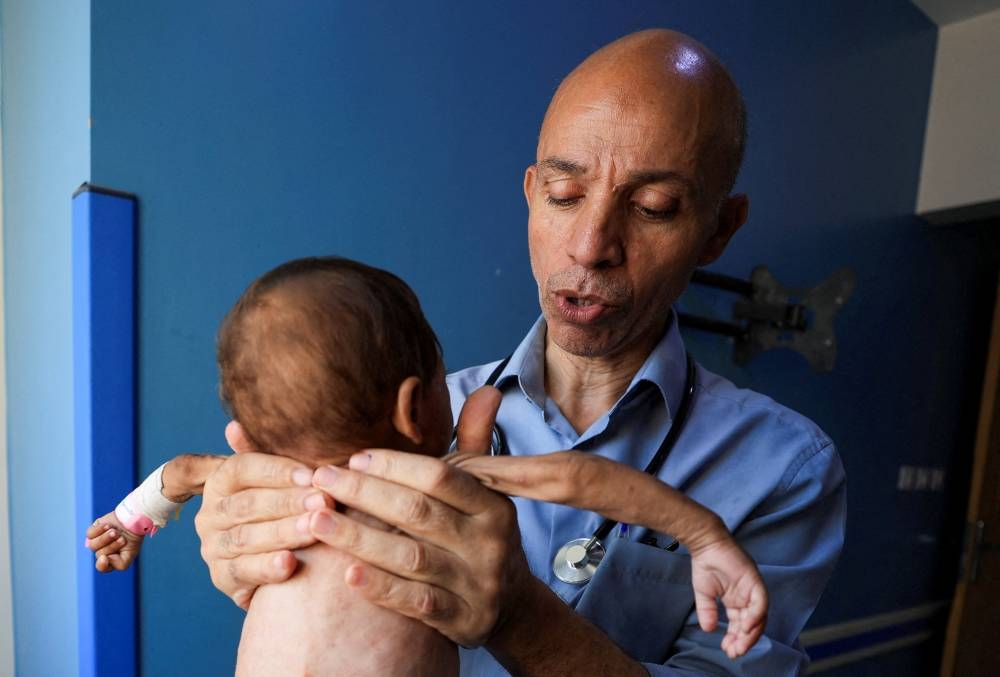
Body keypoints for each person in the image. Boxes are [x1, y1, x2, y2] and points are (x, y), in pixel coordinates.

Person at [193, 29, 846, 676]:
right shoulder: (412, 419)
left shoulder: (786, 468)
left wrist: (521, 619)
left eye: (654, 207)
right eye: (564, 195)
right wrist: (249, 535)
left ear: (719, 230)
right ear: (532, 192)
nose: (590, 246)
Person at [85, 256, 769, 673]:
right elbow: (584, 479)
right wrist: (706, 536)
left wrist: (131, 519)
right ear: (417, 407)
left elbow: (179, 473)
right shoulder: (441, 481)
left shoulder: (252, 475)